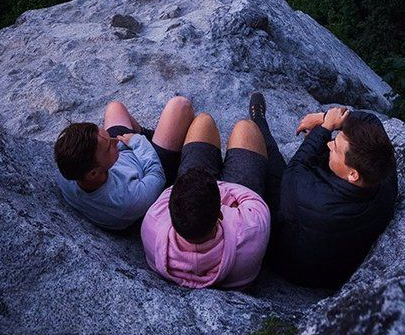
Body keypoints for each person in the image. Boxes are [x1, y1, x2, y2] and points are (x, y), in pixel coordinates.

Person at [248, 92, 397, 289]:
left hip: (294, 267)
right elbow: (370, 119)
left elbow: (295, 170)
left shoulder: (316, 200)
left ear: (353, 174)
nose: (329, 143)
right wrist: (323, 118)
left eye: (335, 146)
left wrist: (325, 128)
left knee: (268, 164)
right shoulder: (382, 171)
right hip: (333, 259)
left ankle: (258, 122)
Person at [140, 111, 271, 289]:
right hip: (236, 192)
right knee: (245, 128)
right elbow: (252, 197)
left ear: (171, 212)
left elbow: (170, 191)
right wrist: (223, 193)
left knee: (203, 121)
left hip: (209, 196)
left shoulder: (152, 225)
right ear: (220, 213)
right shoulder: (253, 229)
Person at [54, 95, 194, 230]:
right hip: (151, 165)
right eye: (109, 146)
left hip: (128, 155)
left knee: (115, 107)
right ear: (93, 173)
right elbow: (157, 175)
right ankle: (167, 140)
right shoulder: (127, 201)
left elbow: (111, 146)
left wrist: (116, 145)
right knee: (180, 106)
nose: (116, 141)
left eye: (108, 138)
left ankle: (156, 136)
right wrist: (137, 141)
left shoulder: (67, 170)